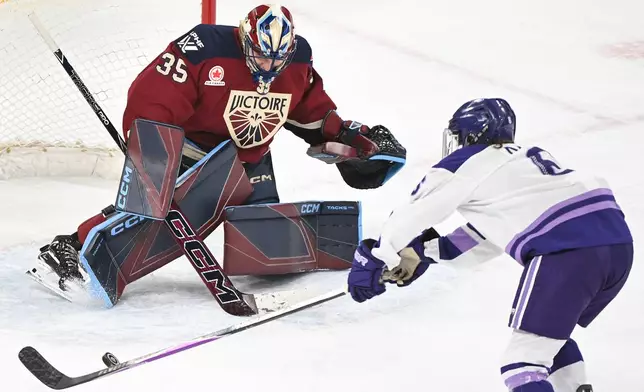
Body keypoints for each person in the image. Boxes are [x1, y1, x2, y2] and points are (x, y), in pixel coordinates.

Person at [39, 3, 405, 288]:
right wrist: (154, 152)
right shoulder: (203, 49)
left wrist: (352, 139)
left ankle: (283, 266)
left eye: (278, 58)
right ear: (245, 39)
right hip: (196, 156)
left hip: (251, 160)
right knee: (153, 217)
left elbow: (310, 112)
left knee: (270, 246)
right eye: (261, 55)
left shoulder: (296, 62)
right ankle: (70, 247)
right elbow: (152, 98)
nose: (269, 66)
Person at [347, 98, 632, 392]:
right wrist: (425, 253)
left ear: (470, 135)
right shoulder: (521, 162)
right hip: (617, 245)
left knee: (523, 365)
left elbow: (415, 212)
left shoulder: (470, 160)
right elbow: (486, 237)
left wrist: (378, 256)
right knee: (549, 341)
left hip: (570, 252)